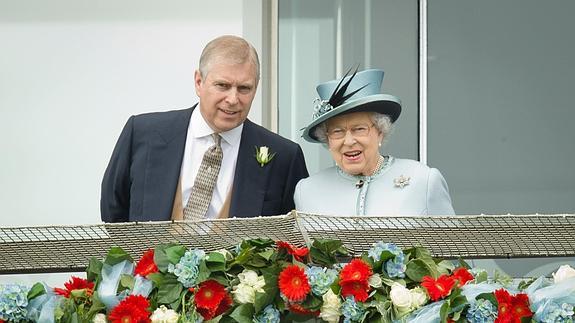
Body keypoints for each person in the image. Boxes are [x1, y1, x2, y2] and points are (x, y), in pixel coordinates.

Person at [101, 35, 308, 222]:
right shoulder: (142, 133)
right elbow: (113, 211)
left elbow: (291, 235)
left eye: (244, 88)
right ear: (199, 82)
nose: (233, 99)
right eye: (223, 86)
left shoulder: (285, 157)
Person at [294, 68, 454, 215]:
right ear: (327, 140)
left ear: (380, 132)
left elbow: (450, 245)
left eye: (359, 129)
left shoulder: (423, 180)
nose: (348, 141)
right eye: (337, 131)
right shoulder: (307, 191)